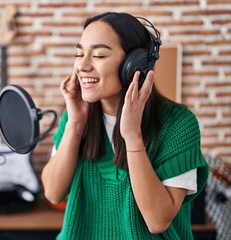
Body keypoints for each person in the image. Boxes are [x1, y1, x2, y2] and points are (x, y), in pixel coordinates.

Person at [41, 12, 209, 240]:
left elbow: (158, 220)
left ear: (135, 64)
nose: (82, 65)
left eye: (99, 55)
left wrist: (133, 137)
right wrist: (75, 124)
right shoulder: (76, 116)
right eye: (79, 54)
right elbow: (53, 192)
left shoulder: (178, 124)